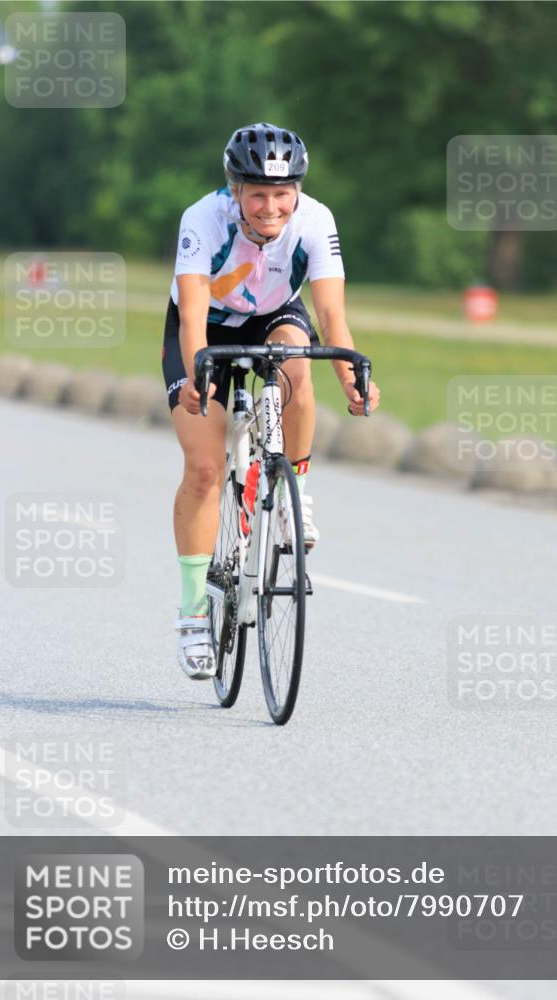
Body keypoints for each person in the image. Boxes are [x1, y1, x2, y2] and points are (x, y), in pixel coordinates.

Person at [162, 122, 380, 680]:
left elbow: (333, 317)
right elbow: (190, 317)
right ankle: (192, 615)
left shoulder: (316, 219)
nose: (271, 207)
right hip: (204, 326)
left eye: (283, 193)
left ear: (298, 190)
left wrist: (351, 378)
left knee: (296, 361)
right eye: (257, 193)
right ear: (234, 189)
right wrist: (197, 376)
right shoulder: (202, 219)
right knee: (206, 469)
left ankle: (292, 493)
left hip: (274, 316)